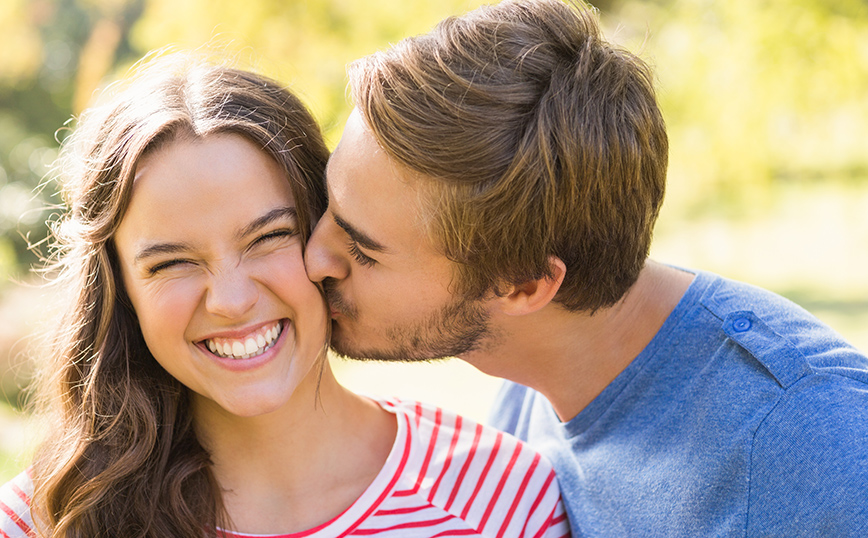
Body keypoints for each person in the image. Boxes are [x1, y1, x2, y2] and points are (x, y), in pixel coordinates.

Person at [303, 0, 868, 536]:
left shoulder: (817, 447)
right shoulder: (535, 370)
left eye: (362, 251)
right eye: (329, 205)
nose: (312, 257)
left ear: (525, 285)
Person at [0, 52, 570, 538]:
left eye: (269, 237)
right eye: (172, 262)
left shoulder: (503, 499)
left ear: (329, 234)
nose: (230, 299)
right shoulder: (43, 519)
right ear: (121, 290)